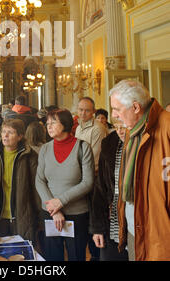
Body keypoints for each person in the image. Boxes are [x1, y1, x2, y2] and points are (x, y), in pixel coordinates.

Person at [110, 79, 170, 261]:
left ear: (135, 107)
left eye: (117, 109)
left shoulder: (167, 127)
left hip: (159, 233)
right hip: (134, 227)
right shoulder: (133, 130)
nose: (114, 115)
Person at [35, 109, 95, 261]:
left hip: (77, 213)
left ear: (66, 123)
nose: (49, 126)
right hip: (50, 213)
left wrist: (60, 201)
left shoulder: (83, 147)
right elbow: (40, 180)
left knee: (76, 256)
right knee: (52, 258)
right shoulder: (45, 149)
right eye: (47, 123)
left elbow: (88, 182)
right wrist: (54, 209)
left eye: (53, 122)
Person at [75, 97, 108, 260]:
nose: (82, 113)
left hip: (94, 182)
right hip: (81, 180)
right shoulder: (79, 128)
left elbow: (94, 160)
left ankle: (96, 255)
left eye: (87, 110)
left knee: (93, 223)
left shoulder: (98, 129)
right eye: (80, 109)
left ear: (93, 112)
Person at [90, 122, 128, 261]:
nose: (120, 131)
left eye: (123, 127)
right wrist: (98, 228)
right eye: (116, 126)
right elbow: (100, 188)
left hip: (138, 226)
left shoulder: (147, 142)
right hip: (113, 225)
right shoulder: (110, 143)